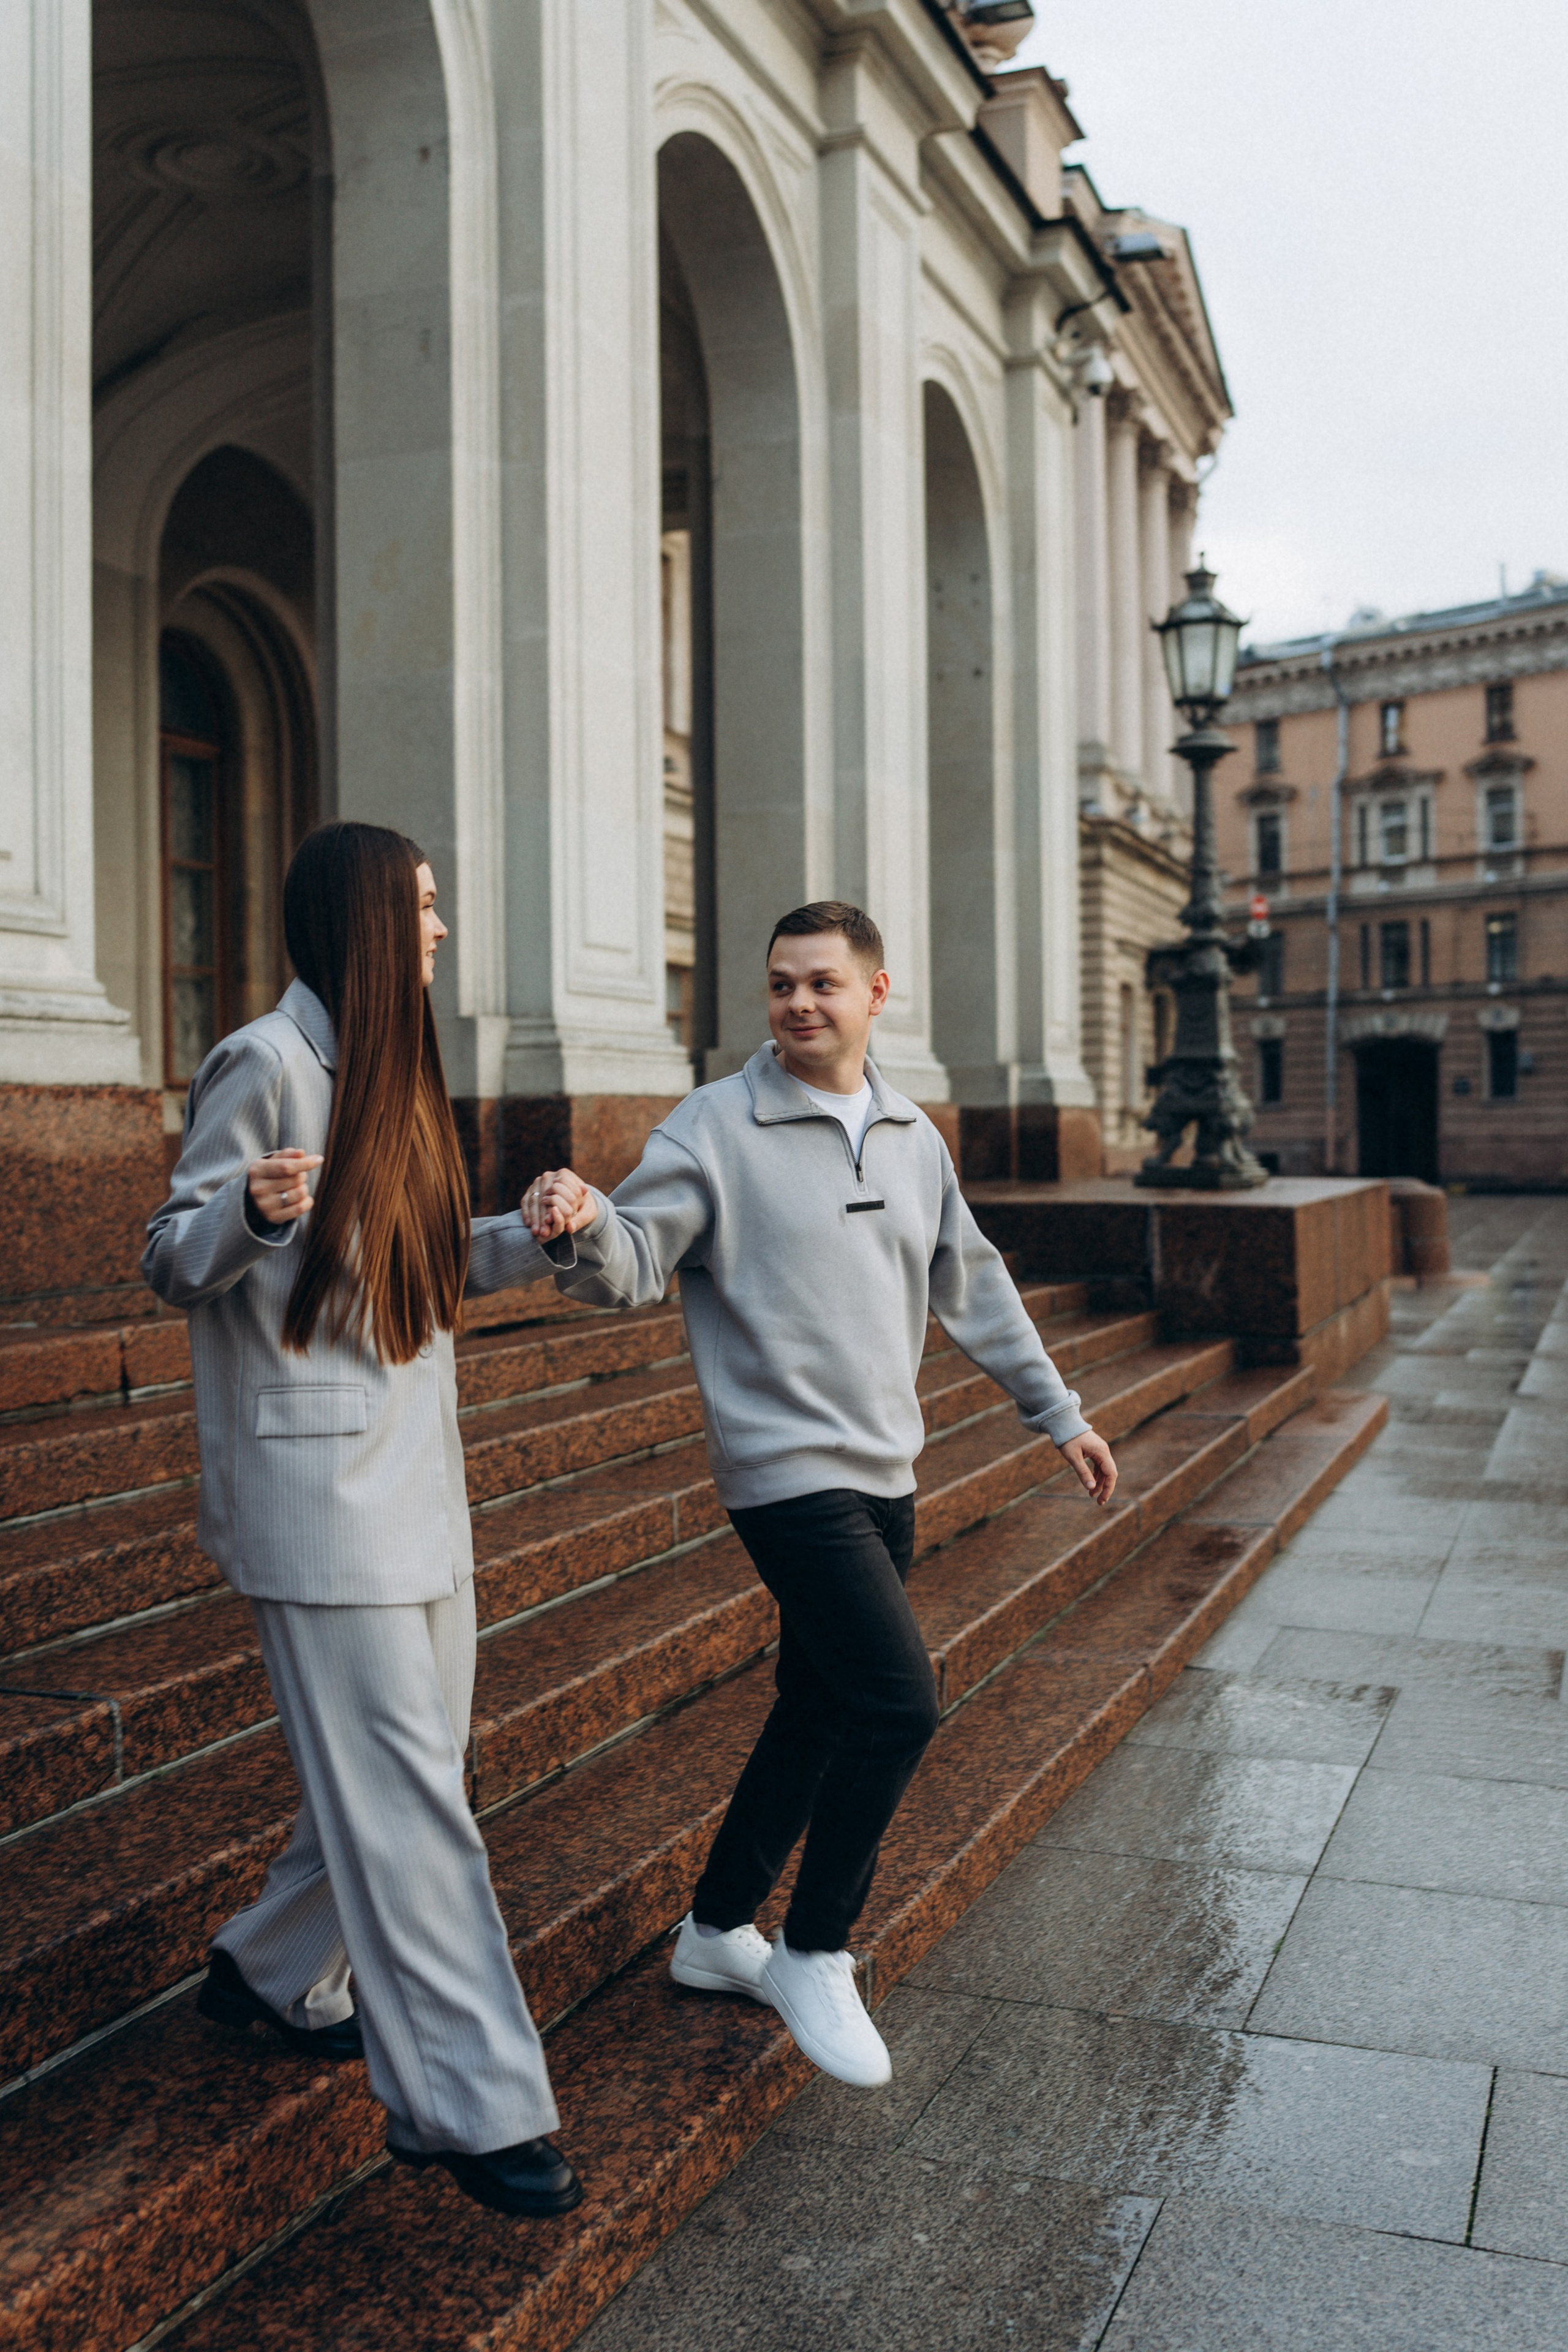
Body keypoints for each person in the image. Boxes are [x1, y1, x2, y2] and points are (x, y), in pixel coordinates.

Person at [524, 902, 1116, 2087]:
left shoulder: (907, 1133)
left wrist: (1057, 1413)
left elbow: (976, 1284)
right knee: (898, 1701)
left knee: (816, 1698)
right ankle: (813, 1947)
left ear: (874, 994)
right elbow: (638, 1260)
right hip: (783, 1474)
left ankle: (713, 1930)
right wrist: (584, 1224)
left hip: (883, 1467)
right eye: (780, 984)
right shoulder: (714, 1127)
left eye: (822, 985)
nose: (798, 1004)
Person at [143, 821, 597, 2218]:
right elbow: (171, 1254)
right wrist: (254, 1216)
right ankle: (468, 2108)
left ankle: (271, 1968)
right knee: (409, 1800)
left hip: (415, 1488)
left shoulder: (389, 1076)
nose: (442, 927)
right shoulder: (264, 1064)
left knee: (415, 1770)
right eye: (422, 906)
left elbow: (422, 1265)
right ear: (363, 923)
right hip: (319, 1498)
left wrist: (543, 1231)